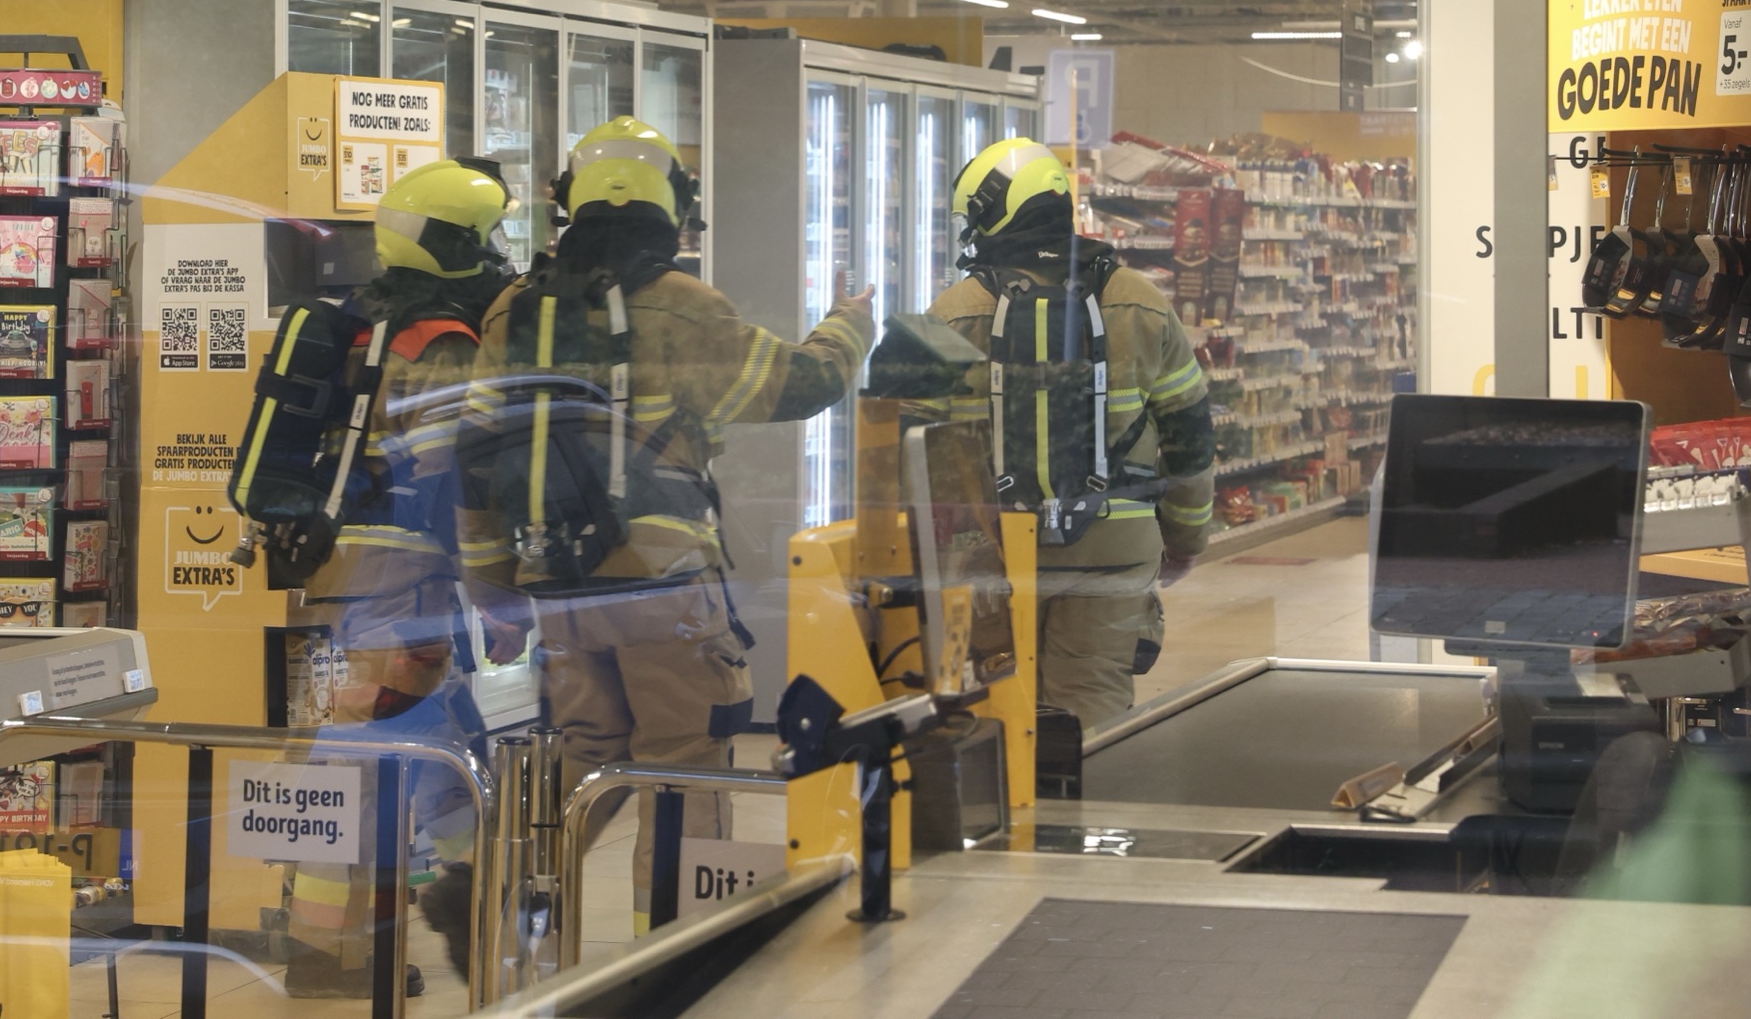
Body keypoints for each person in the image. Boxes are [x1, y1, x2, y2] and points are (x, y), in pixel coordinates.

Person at [458, 115, 874, 934]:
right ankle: (676, 947)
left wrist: (492, 585)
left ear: (569, 200)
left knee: (584, 748)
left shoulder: (513, 308)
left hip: (557, 582)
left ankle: (496, 901)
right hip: (663, 579)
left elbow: (477, 452)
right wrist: (850, 324)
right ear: (673, 207)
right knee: (685, 760)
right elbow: (801, 384)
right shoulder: (683, 305)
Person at [282, 158, 521, 999]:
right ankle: (332, 948)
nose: (499, 253)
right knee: (369, 748)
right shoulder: (444, 345)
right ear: (455, 245)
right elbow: (459, 481)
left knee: (429, 742)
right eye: (489, 237)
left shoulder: (362, 324)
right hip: (404, 579)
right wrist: (501, 597)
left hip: (352, 568)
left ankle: (434, 906)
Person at [922, 138, 1217, 731]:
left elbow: (921, 453)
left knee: (998, 710)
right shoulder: (1142, 302)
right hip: (1115, 545)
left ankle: (1010, 818)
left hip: (994, 553)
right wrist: (1186, 538)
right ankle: (1087, 815)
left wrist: (925, 555)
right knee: (1092, 710)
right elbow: (1190, 438)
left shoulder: (955, 312)